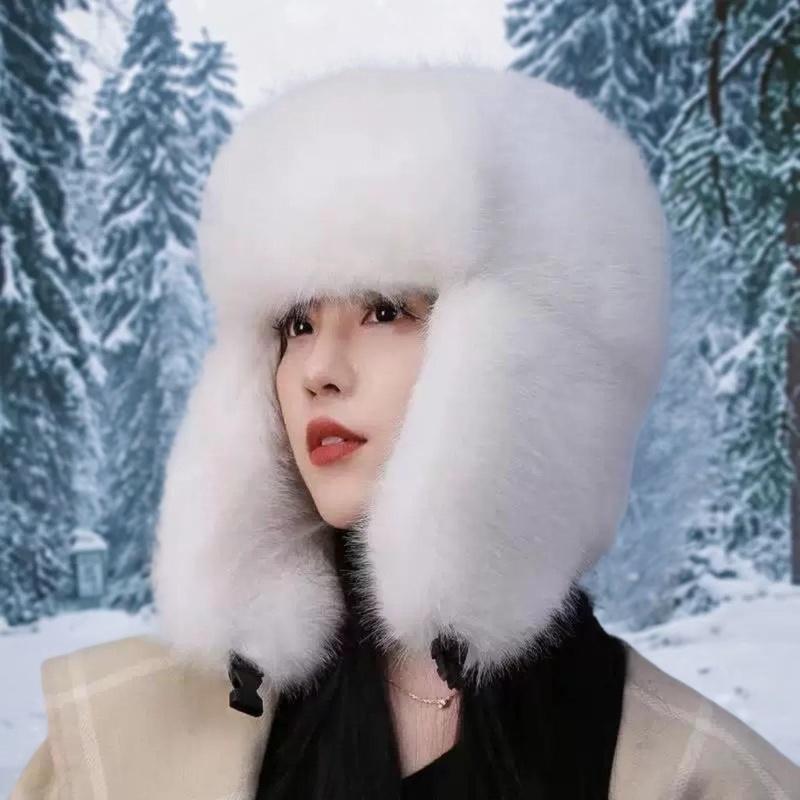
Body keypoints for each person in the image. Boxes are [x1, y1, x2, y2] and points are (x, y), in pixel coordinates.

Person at [11, 61, 800, 800]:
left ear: (531, 368)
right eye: (296, 324)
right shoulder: (113, 752)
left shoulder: (699, 777)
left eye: (386, 311)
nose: (319, 369)